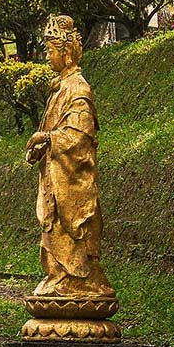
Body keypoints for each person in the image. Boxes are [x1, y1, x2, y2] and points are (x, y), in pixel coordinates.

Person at [27, 15, 115, 298]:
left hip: (72, 180)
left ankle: (79, 281)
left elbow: (78, 136)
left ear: (66, 52)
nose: (46, 56)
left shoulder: (78, 88)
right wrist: (40, 146)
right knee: (52, 232)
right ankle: (59, 277)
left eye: (50, 50)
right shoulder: (60, 88)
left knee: (71, 229)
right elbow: (54, 129)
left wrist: (48, 138)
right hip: (54, 176)